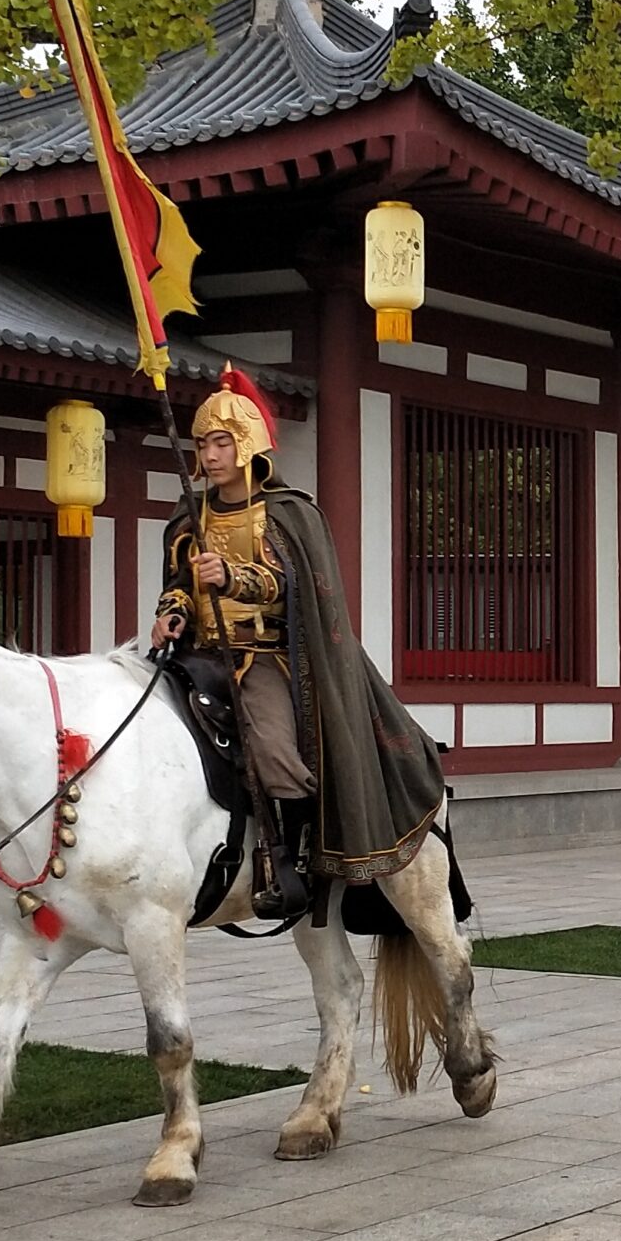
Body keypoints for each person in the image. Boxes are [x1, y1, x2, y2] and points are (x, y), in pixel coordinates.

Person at [152, 366, 445, 911]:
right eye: (203, 444)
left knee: (273, 750)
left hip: (263, 654)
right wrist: (172, 611)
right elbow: (179, 584)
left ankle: (288, 855)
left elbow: (290, 584)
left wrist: (234, 578)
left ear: (245, 445)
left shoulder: (289, 514)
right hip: (199, 652)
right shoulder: (191, 515)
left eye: (221, 443)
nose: (210, 455)